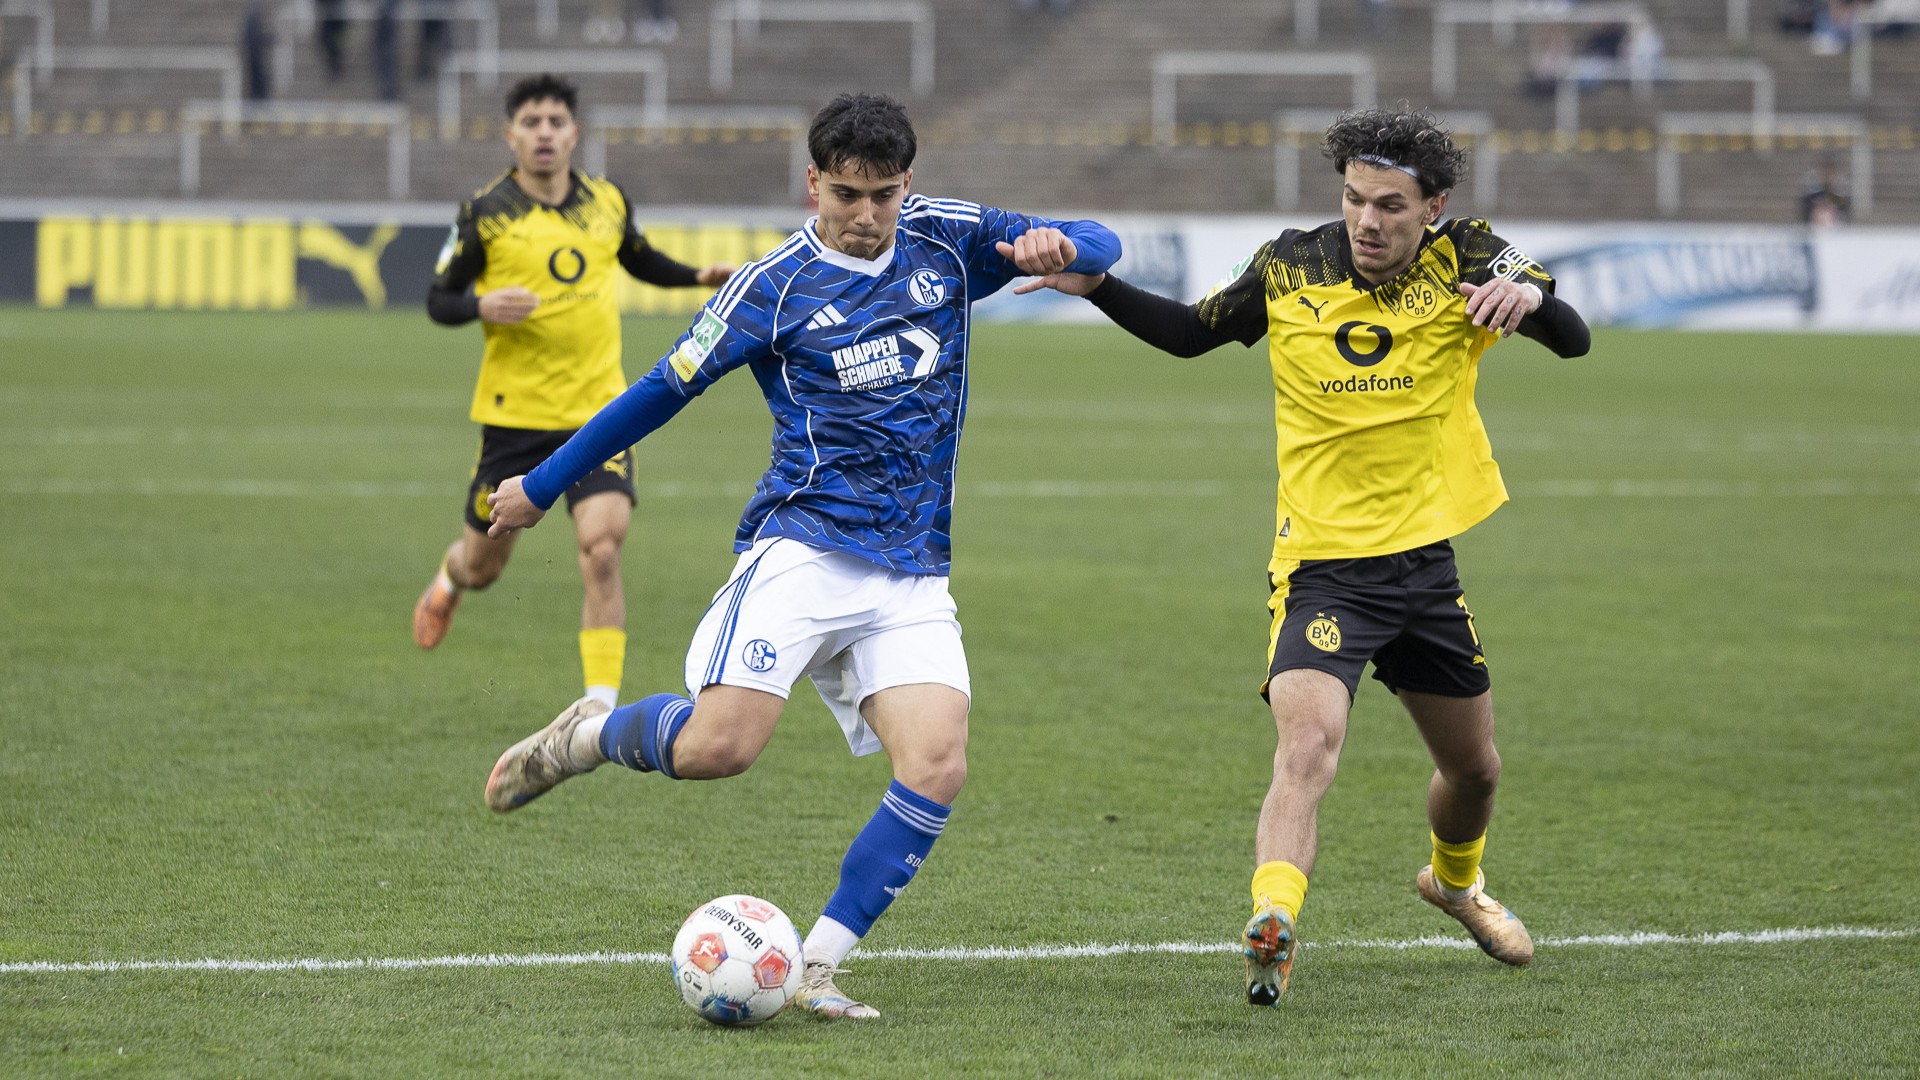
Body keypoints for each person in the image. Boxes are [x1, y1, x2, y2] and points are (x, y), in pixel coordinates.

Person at [480, 92, 1121, 1019]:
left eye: (885, 196)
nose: (866, 217)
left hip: (911, 569)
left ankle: (816, 964)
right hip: (805, 550)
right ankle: (586, 737)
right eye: (847, 196)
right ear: (812, 182)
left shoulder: (947, 239)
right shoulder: (772, 286)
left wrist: (1069, 250)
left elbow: (1100, 241)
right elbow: (660, 390)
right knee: (717, 750)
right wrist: (541, 486)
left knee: (937, 764)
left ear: (910, 184)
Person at [1016, 107, 1590, 1005]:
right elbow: (1192, 331)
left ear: (1432, 206)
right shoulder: (1292, 264)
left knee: (1475, 771)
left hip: (1424, 570)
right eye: (1356, 199)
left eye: (1392, 205)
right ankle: (1273, 918)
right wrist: (1096, 289)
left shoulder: (1473, 256)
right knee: (1307, 747)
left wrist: (1535, 299)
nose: (1368, 221)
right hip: (1322, 567)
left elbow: (1574, 336)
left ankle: (1455, 882)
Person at [419, 73, 735, 711]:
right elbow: (438, 299)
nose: (544, 133)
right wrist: (482, 302)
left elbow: (637, 257)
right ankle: (451, 580)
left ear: (574, 132)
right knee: (485, 567)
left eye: (555, 122)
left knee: (602, 545)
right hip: (514, 421)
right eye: (531, 122)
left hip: (598, 413)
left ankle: (596, 707)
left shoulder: (607, 201)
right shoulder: (483, 212)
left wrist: (695, 275)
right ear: (511, 135)